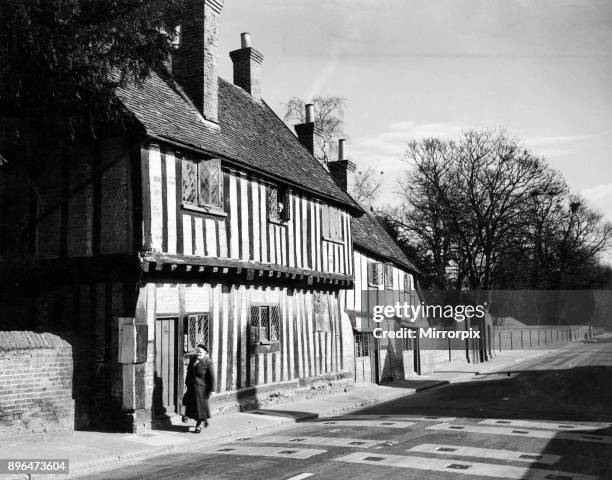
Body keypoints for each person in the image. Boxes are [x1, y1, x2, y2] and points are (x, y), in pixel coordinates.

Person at [182, 344, 214, 433]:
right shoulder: (193, 360)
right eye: (197, 351)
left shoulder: (208, 362)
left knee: (200, 409)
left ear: (205, 353)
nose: (198, 353)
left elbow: (211, 377)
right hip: (192, 387)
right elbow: (188, 372)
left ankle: (198, 426)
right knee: (190, 404)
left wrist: (211, 390)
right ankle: (187, 416)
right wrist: (186, 383)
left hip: (202, 389)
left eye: (200, 352)